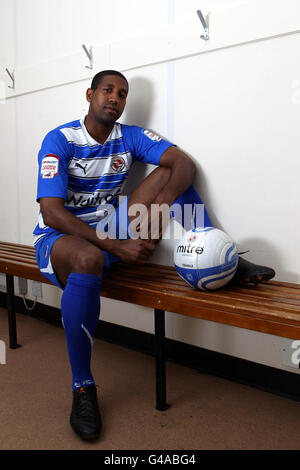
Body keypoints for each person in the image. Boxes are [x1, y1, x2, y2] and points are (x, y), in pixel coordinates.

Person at [33, 70, 275, 441]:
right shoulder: (60, 139)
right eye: (107, 90)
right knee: (89, 259)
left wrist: (159, 209)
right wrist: (115, 245)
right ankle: (83, 387)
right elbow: (51, 212)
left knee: (171, 173)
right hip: (61, 240)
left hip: (109, 226)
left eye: (122, 93)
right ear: (90, 94)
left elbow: (183, 164)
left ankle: (222, 255)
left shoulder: (128, 136)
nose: (115, 97)